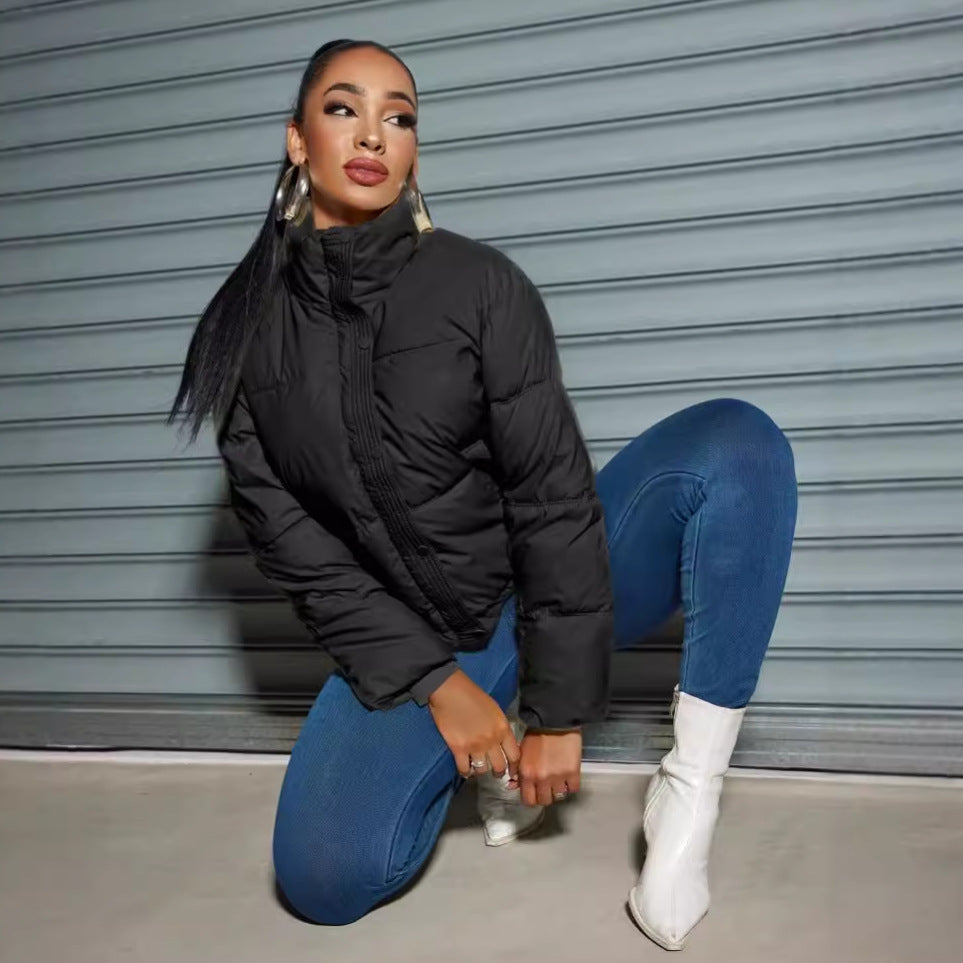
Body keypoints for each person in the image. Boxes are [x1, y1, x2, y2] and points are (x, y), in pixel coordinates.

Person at [168, 38, 798, 950]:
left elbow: (550, 497)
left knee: (738, 447)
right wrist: (436, 683)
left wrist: (558, 707)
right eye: (344, 109)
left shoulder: (478, 286)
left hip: (549, 582)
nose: (373, 134)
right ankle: (488, 752)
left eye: (398, 117)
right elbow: (303, 557)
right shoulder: (246, 343)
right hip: (419, 638)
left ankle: (687, 796)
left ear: (413, 148)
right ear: (297, 140)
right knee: (323, 877)